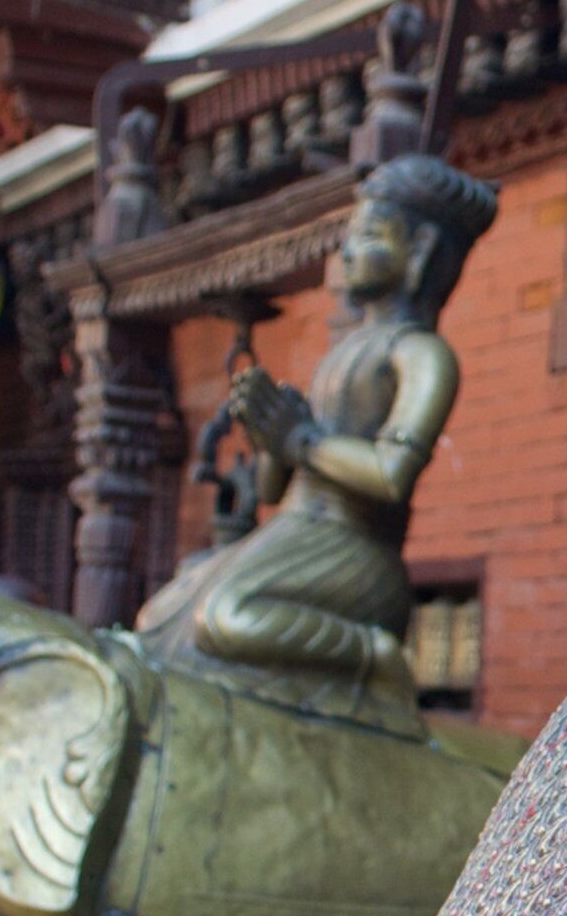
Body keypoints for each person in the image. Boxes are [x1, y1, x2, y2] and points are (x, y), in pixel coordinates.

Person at [135, 154, 497, 730]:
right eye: (349, 238)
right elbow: (283, 485)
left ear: (422, 252)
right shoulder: (342, 352)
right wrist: (269, 440)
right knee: (162, 612)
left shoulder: (420, 354)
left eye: (370, 237)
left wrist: (300, 440)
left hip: (352, 549)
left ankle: (371, 655)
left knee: (227, 617)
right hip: (295, 530)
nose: (348, 252)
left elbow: (390, 474)